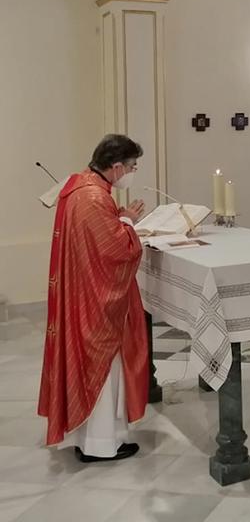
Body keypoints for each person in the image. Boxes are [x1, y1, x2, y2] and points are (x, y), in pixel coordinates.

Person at [38, 134, 149, 463]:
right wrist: (128, 221)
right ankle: (100, 445)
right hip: (96, 301)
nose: (132, 172)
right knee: (102, 369)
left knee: (93, 369)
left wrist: (121, 218)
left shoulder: (81, 186)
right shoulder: (94, 197)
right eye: (131, 166)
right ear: (116, 166)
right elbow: (118, 251)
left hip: (82, 291)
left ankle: (91, 439)